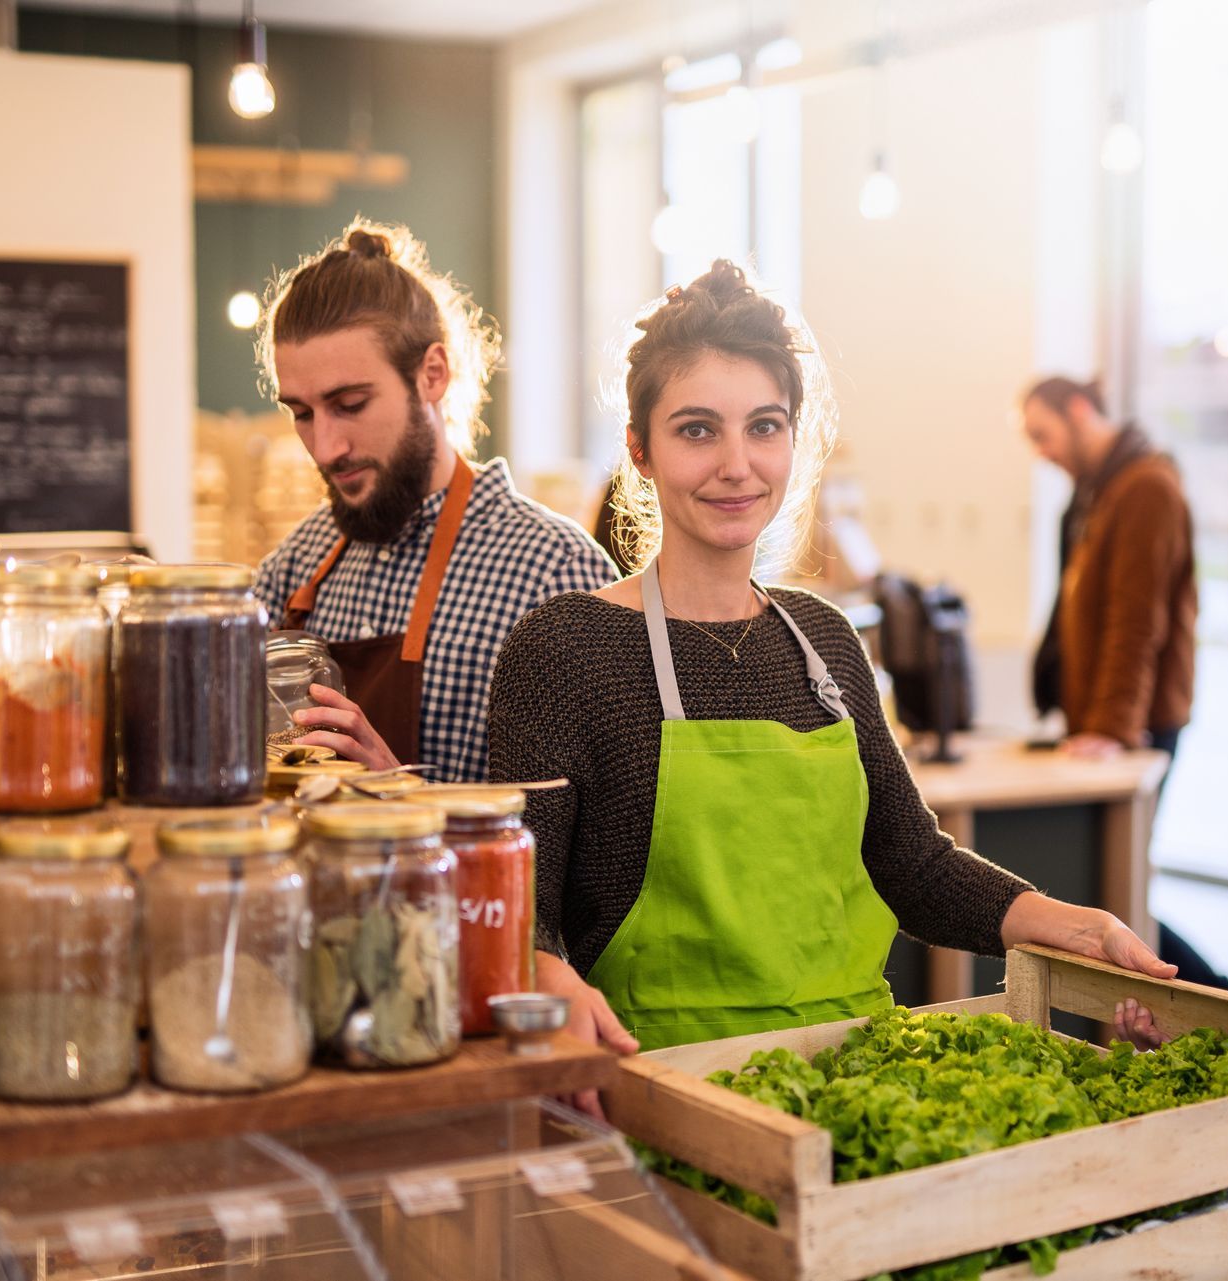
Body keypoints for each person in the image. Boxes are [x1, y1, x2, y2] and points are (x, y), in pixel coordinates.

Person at [488, 263, 1173, 1097]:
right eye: (698, 430)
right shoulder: (565, 648)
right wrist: (546, 975)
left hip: (858, 1080)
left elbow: (910, 863)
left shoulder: (823, 642)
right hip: (663, 1092)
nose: (737, 464)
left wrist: (1074, 925)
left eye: (764, 427)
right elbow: (515, 911)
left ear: (793, 439)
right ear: (640, 447)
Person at [253, 220, 617, 783]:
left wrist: (400, 795)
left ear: (432, 374)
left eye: (349, 403)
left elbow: (591, 840)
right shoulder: (295, 568)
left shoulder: (555, 574)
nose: (325, 447)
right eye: (302, 413)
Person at [1019, 374, 1228, 999]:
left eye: (1042, 434)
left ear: (1080, 412)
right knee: (1115, 882)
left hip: (1136, 724)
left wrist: (1109, 728)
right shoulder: (1102, 492)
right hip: (1112, 720)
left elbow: (1138, 623)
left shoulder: (1145, 489)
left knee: (1119, 883)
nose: (1040, 451)